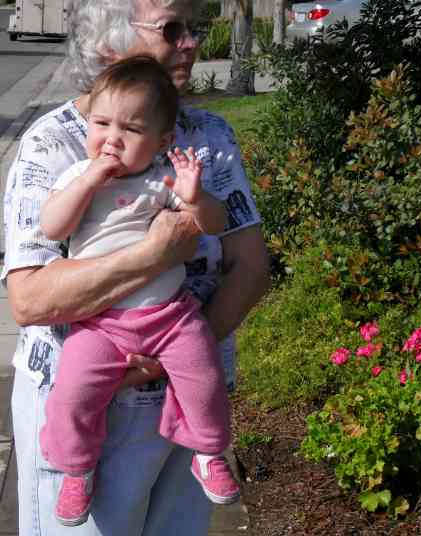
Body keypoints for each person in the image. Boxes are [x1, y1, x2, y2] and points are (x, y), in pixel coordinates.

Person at [2, 0, 270, 534]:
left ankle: (208, 449)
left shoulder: (209, 136)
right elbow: (30, 300)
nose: (191, 42)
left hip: (188, 393)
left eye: (194, 28)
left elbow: (251, 265)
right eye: (172, 29)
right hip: (93, 402)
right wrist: (154, 253)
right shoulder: (53, 146)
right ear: (109, 43)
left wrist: (178, 353)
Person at [38, 55, 241, 527]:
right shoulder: (77, 177)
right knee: (72, 392)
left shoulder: (162, 179)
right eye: (101, 123)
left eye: (129, 130)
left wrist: (195, 197)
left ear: (162, 141)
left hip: (169, 316)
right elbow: (53, 226)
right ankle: (76, 468)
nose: (111, 139)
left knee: (203, 373)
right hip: (101, 323)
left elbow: (214, 224)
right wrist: (89, 180)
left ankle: (208, 452)